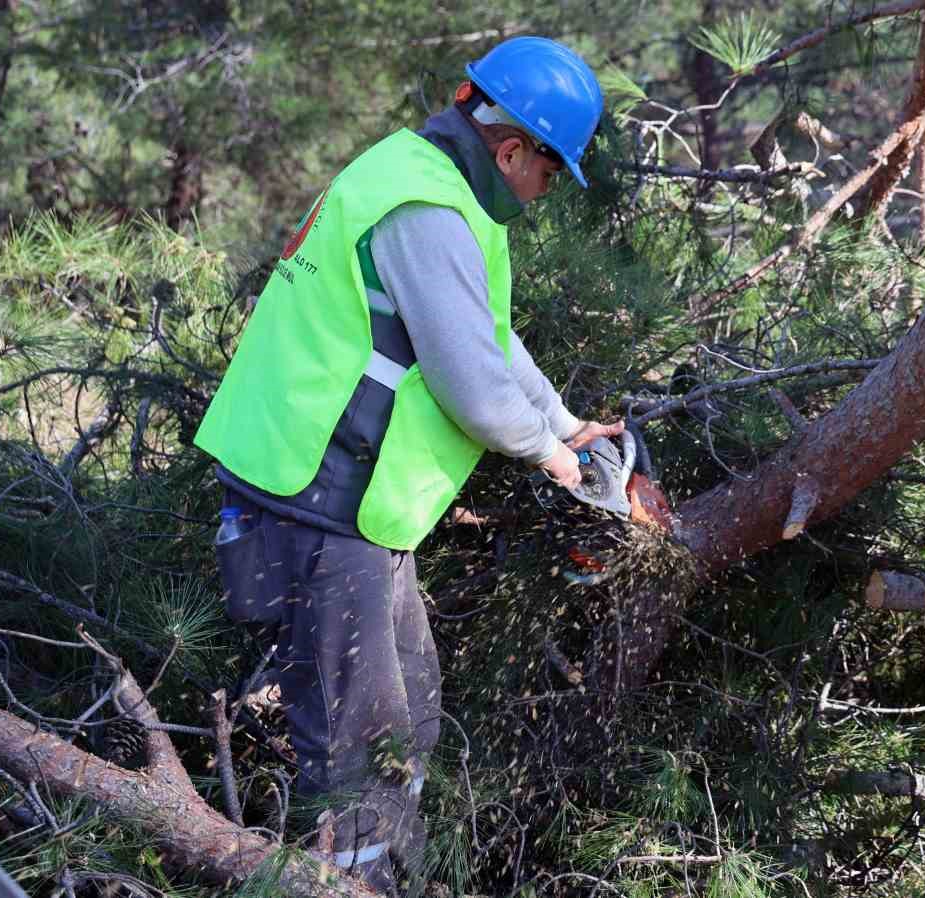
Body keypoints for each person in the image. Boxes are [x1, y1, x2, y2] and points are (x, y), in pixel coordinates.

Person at [193, 36, 621, 891]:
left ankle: (392, 872)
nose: (545, 193)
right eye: (549, 173)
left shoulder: (434, 185)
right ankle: (354, 884)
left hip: (350, 505)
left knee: (411, 709)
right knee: (360, 743)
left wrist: (567, 424)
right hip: (315, 497)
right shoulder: (426, 208)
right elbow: (472, 384)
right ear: (513, 150)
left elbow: (488, 336)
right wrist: (551, 457)